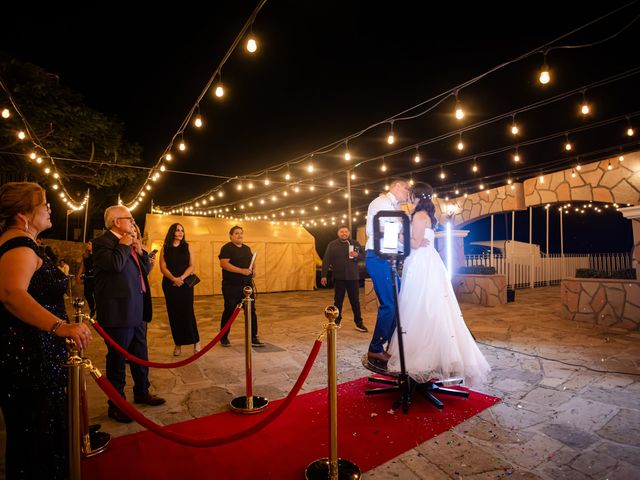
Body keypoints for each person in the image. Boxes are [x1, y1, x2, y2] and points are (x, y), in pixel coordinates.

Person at [0, 182, 92, 479]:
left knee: (40, 431)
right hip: (30, 356)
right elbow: (12, 293)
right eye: (44, 205)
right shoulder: (19, 246)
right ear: (24, 214)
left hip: (37, 351)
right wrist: (60, 326)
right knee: (37, 435)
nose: (50, 209)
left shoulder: (22, 242)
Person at [387, 182, 490, 385]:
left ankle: (423, 354)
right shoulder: (429, 216)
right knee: (431, 305)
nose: (408, 197)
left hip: (420, 263)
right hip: (429, 262)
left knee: (419, 305)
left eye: (410, 194)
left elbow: (415, 243)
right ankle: (442, 354)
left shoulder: (418, 216)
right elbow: (419, 240)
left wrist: (398, 235)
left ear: (414, 197)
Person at [92, 205, 165, 424]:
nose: (134, 223)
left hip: (138, 307)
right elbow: (114, 265)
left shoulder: (130, 243)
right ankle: (116, 405)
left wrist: (140, 252)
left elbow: (143, 271)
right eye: (130, 219)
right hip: (118, 311)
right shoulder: (102, 243)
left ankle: (142, 391)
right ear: (116, 222)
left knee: (140, 354)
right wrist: (124, 245)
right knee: (117, 358)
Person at [364, 178, 411, 370]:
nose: (408, 193)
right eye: (407, 189)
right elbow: (374, 230)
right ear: (397, 186)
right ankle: (375, 347)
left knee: (397, 301)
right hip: (378, 256)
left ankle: (384, 345)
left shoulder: (393, 206)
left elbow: (393, 236)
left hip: (388, 257)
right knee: (389, 304)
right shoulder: (381, 203)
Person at [218, 225, 264, 347]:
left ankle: (253, 337)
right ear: (231, 236)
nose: (239, 235)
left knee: (251, 311)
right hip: (231, 286)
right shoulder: (227, 248)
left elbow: (252, 262)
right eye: (237, 233)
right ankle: (223, 337)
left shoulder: (247, 248)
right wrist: (241, 271)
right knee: (229, 310)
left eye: (241, 233)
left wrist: (254, 270)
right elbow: (224, 264)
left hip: (247, 285)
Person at [159, 223, 200, 355]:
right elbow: (163, 268)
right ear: (172, 232)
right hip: (170, 285)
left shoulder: (187, 247)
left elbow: (192, 266)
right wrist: (174, 279)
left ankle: (196, 341)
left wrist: (181, 278)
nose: (180, 233)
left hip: (185, 284)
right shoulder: (165, 248)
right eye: (177, 230)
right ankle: (178, 344)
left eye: (182, 230)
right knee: (174, 314)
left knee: (188, 312)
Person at [321, 225, 367, 332]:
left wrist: (357, 255)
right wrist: (323, 275)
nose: (344, 234)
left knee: (355, 301)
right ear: (338, 233)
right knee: (338, 301)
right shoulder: (332, 245)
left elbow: (364, 256)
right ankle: (336, 321)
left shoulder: (355, 243)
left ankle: (359, 323)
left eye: (346, 232)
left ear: (349, 233)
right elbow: (326, 260)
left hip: (353, 277)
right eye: (341, 232)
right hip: (339, 277)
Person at [76, 241, 96, 316]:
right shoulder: (85, 255)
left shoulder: (98, 255)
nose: (87, 245)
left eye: (89, 244)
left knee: (97, 294)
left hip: (96, 278)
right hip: (88, 278)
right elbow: (82, 266)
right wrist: (78, 275)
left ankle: (98, 310)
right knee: (87, 294)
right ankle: (92, 308)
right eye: (87, 244)